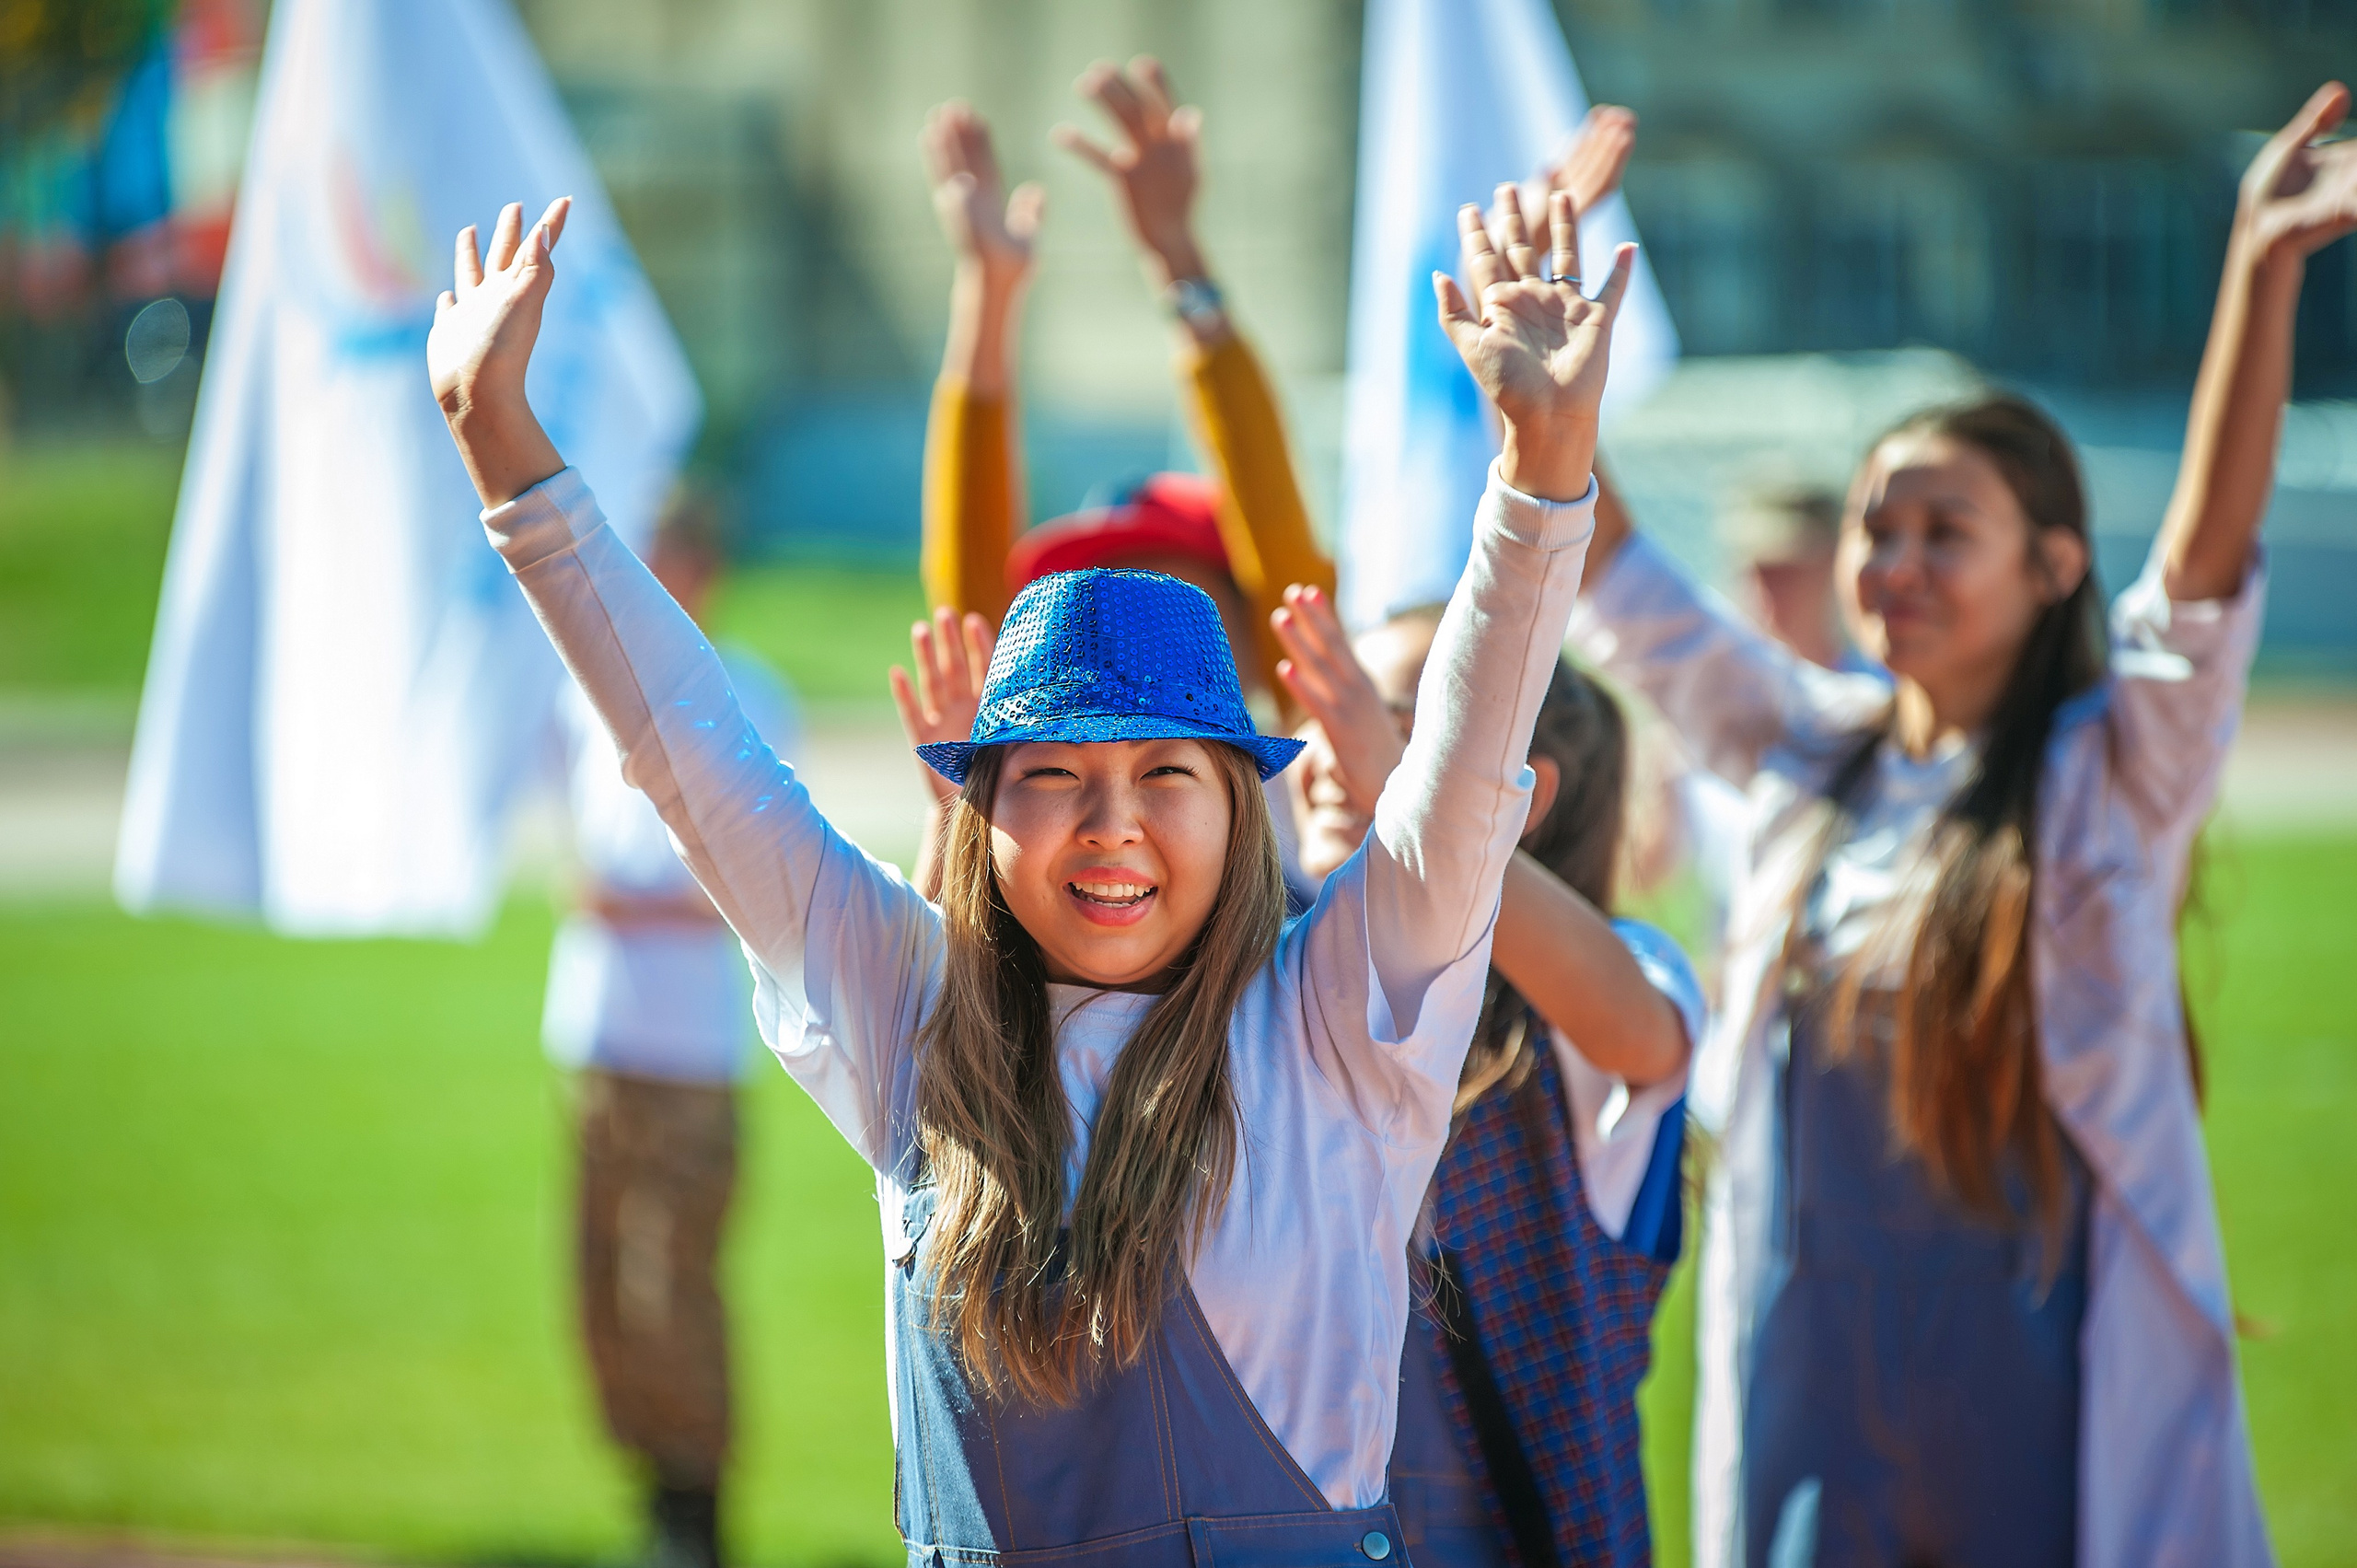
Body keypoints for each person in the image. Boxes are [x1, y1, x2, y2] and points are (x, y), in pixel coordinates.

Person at [427, 174, 1638, 1564]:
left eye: (1169, 776)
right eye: (1053, 775)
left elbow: (1463, 776)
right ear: (979, 812)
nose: (1111, 821)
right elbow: (691, 760)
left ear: (1248, 810)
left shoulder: (1344, 1024)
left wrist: (1542, 474)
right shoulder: (909, 1016)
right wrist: (503, 449)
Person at [1566, 83, 2357, 1568]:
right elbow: (1638, 601)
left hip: (2032, 1391)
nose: (1895, 561)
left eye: (1947, 530)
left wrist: (2262, 269)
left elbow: (2200, 576)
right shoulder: (1809, 749)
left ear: (2056, 564)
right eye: (1878, 525)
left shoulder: (2108, 771)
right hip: (1812, 1378)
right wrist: (1549, 411)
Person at [1270, 429, 1701, 1562]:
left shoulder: (1609, 986)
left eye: (1399, 721)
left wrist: (1419, 806)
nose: (1335, 752)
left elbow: (1641, 1032)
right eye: (1332, 711)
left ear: (1526, 795)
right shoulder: (1277, 971)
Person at [537, 488, 795, 1568]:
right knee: (600, 1283)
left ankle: (697, 1513)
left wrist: (626, 905)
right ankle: (651, 1499)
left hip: (691, 1052)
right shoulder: (581, 691)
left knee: (672, 1281)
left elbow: (762, 878)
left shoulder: (744, 691)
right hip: (600, 1042)